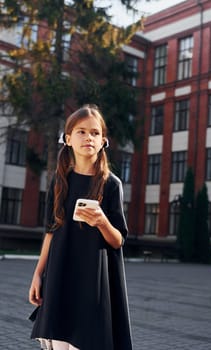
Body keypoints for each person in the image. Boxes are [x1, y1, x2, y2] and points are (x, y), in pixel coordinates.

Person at [29, 105, 133, 350]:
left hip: (93, 282)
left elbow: (118, 240)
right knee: (59, 342)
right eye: (82, 131)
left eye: (95, 133)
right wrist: (38, 273)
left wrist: (102, 221)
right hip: (60, 274)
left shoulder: (111, 184)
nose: (89, 137)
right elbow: (51, 229)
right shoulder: (59, 181)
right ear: (68, 139)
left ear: (103, 141)